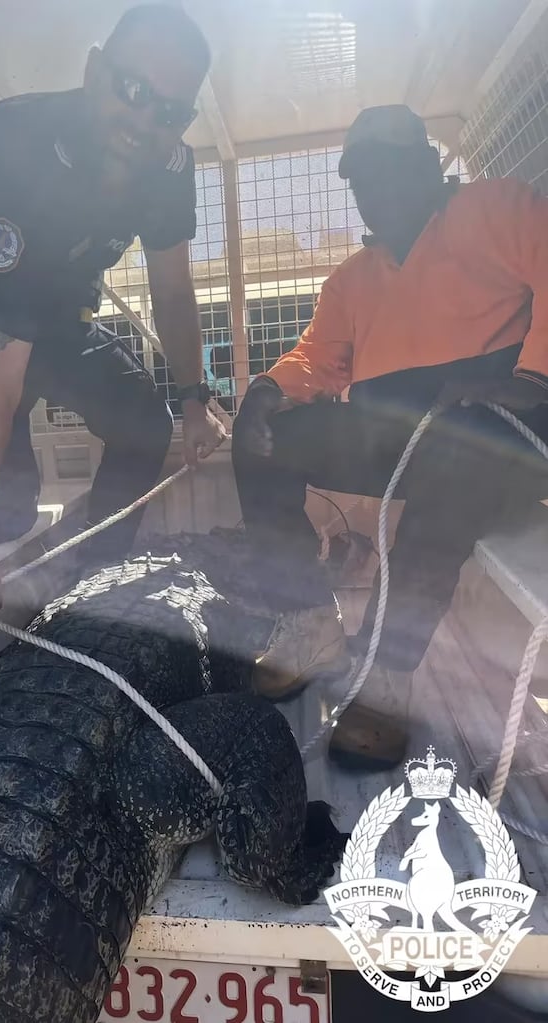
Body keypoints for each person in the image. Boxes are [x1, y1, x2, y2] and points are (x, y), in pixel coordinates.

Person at [0, 4, 226, 617]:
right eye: (134, 89)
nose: (144, 121)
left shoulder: (170, 166)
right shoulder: (17, 152)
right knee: (6, 512)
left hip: (46, 306)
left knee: (147, 417)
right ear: (95, 71)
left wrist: (195, 397)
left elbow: (171, 289)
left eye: (168, 111)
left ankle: (93, 579)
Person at [232, 104, 548, 772]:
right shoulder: (351, 276)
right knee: (258, 436)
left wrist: (532, 377)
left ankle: (384, 669)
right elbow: (318, 357)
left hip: (500, 440)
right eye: (361, 177)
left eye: (390, 169)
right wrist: (267, 390)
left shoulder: (497, 207)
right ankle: (310, 623)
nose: (374, 189)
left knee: (464, 445)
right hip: (395, 437)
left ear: (428, 167)